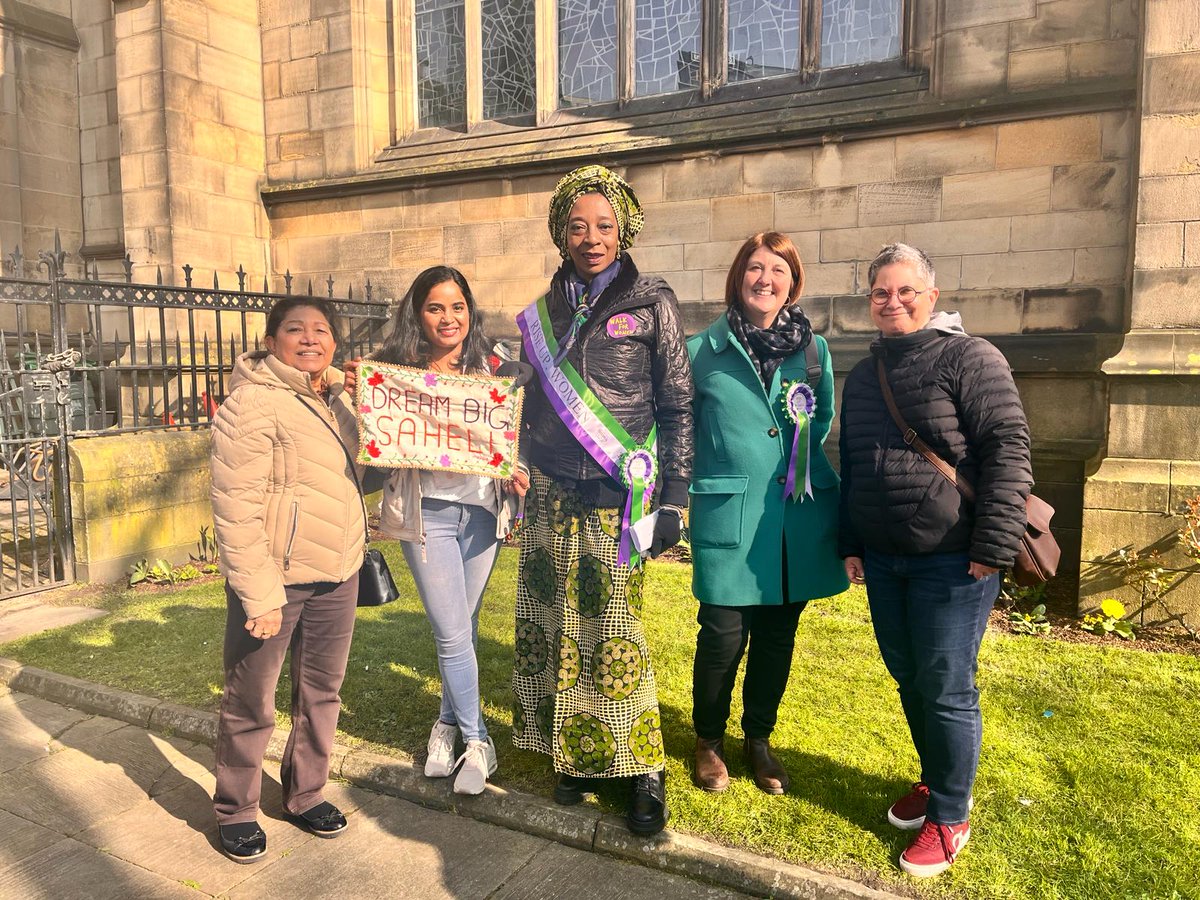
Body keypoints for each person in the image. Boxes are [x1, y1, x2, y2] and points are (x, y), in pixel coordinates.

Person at [838, 243, 1032, 878]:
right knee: (908, 675)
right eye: (880, 293)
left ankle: (951, 814)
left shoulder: (971, 358)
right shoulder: (866, 375)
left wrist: (993, 547)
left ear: (932, 297)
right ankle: (934, 777)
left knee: (947, 686)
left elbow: (1007, 449)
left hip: (954, 560)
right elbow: (855, 465)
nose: (891, 302)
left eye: (905, 291)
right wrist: (851, 540)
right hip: (886, 560)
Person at [511, 164, 693, 836]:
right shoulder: (540, 312)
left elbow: (677, 403)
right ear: (560, 233)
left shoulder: (651, 303)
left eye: (604, 226)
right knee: (557, 628)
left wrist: (672, 497)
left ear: (625, 231)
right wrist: (512, 464)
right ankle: (580, 757)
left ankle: (644, 771)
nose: (591, 237)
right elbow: (525, 406)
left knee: (617, 634)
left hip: (619, 500)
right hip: (551, 495)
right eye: (578, 225)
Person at [686, 232, 847, 795]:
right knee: (722, 635)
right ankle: (708, 740)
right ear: (738, 276)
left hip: (795, 519)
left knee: (778, 637)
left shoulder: (813, 351)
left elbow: (820, 417)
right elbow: (681, 426)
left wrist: (796, 464)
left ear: (792, 282)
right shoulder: (701, 350)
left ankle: (758, 739)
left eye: (778, 269)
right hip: (730, 514)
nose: (765, 279)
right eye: (755, 268)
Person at [209, 296, 366, 862]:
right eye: (295, 329)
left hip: (338, 571)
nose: (309, 338)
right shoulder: (252, 403)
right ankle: (236, 810)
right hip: (277, 580)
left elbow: (361, 474)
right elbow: (235, 506)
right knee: (252, 700)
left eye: (322, 330)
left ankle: (305, 794)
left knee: (321, 694)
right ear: (272, 340)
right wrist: (258, 592)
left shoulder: (333, 399)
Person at [365, 265, 528, 796]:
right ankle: (480, 742)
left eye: (457, 306)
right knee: (451, 631)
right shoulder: (395, 369)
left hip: (482, 513)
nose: (448, 317)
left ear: (469, 310)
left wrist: (517, 466)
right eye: (435, 307)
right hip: (428, 513)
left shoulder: (493, 366)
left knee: (464, 625)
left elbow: (511, 433)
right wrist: (355, 390)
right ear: (418, 313)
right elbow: (374, 439)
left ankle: (446, 727)